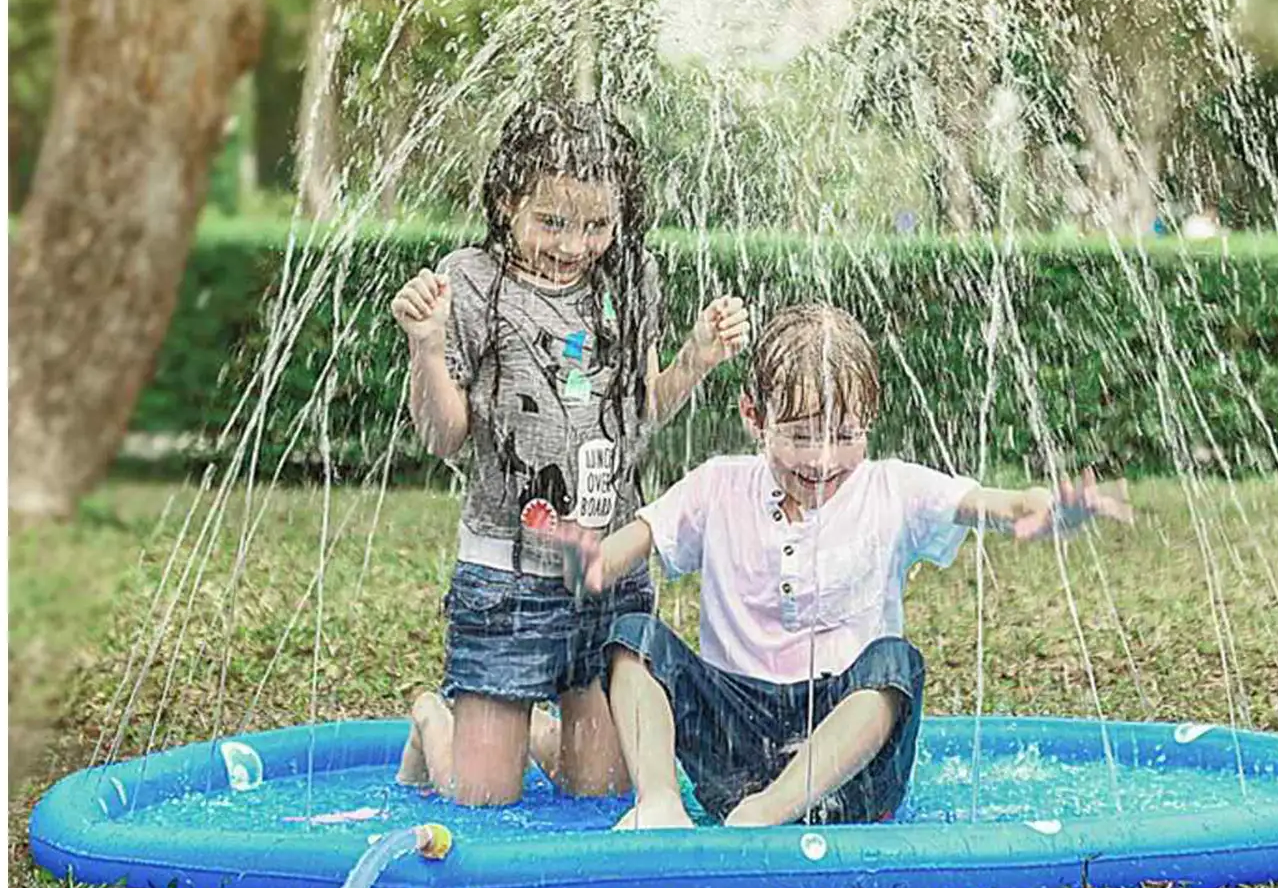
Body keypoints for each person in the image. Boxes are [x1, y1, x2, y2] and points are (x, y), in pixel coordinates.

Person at [545, 302, 1132, 830]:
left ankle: (769, 812)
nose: (823, 460)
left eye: (845, 436)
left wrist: (1047, 510)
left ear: (871, 419)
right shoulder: (718, 485)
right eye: (799, 436)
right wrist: (589, 563)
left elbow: (997, 504)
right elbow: (622, 551)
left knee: (893, 665)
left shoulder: (893, 488)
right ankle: (660, 804)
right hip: (734, 743)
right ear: (754, 416)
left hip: (850, 772)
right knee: (633, 639)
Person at [390, 99, 749, 806]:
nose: (575, 245)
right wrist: (427, 346)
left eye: (598, 225)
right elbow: (445, 437)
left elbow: (638, 411)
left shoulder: (630, 279)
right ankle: (435, 719)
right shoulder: (470, 283)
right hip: (507, 576)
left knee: (603, 791)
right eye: (552, 222)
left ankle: (523, 737)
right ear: (505, 201)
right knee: (482, 799)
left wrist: (696, 360)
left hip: (608, 572)